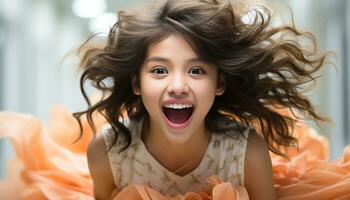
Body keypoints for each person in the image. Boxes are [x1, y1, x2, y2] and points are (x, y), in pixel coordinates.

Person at [73, 0, 330, 199]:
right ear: (137, 83)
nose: (177, 87)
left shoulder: (247, 153)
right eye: (159, 70)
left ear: (219, 83)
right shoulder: (107, 153)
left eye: (196, 71)